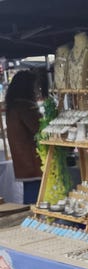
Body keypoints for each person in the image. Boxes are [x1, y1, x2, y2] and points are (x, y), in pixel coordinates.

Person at [5, 69, 43, 204]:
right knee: (36, 198)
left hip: (24, 163)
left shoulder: (13, 106)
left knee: (31, 196)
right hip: (33, 162)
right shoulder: (25, 107)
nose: (37, 90)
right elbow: (40, 129)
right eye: (35, 87)